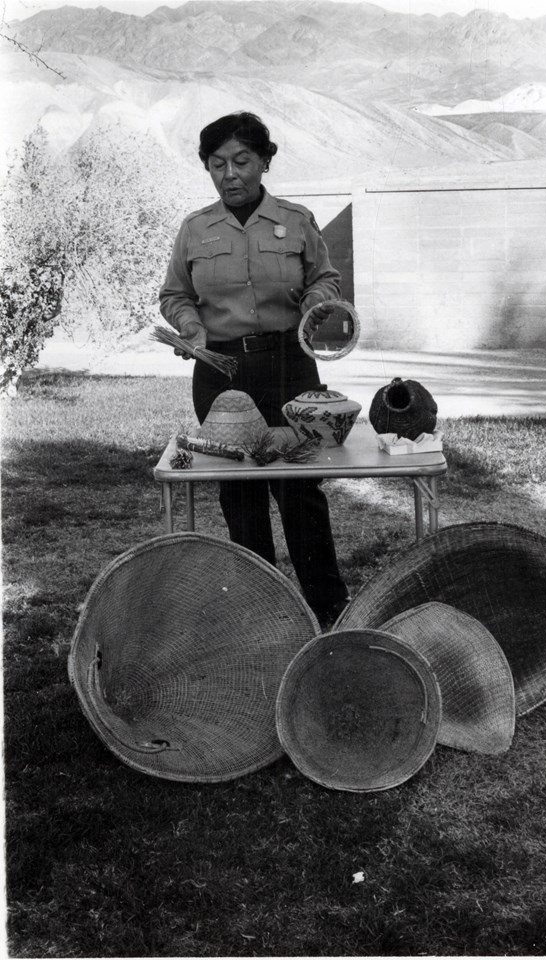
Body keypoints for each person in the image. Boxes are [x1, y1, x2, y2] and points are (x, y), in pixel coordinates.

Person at [159, 111, 350, 628]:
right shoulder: (195, 229)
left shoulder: (298, 220)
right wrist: (190, 329)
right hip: (220, 372)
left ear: (265, 162)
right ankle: (260, 612)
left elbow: (325, 278)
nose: (230, 174)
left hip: (291, 365)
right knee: (239, 491)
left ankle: (328, 607)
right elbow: (175, 295)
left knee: (299, 488)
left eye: (242, 160)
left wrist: (315, 305)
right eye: (217, 164)